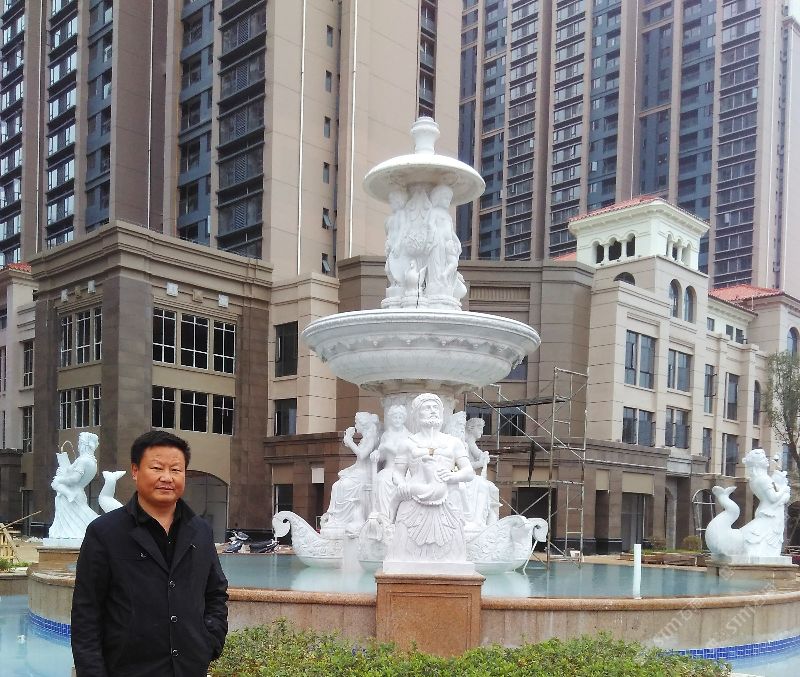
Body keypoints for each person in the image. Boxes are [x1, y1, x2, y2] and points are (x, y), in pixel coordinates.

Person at [71, 430, 228, 677]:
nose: (167, 477)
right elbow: (86, 612)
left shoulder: (200, 531)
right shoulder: (105, 532)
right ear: (135, 471)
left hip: (188, 668)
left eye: (176, 470)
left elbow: (215, 592)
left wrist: (210, 640)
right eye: (157, 468)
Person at [386, 394, 475, 563]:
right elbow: (397, 473)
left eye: (436, 408)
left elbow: (469, 472)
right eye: (427, 408)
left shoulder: (453, 442)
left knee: (452, 549)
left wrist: (453, 476)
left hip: (447, 500)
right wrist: (402, 484)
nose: (433, 411)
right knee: (404, 548)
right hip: (414, 498)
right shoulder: (407, 443)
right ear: (417, 414)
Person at [49, 432, 100, 539]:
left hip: (72, 493)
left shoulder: (82, 461)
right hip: (78, 493)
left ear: (84, 444)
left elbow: (74, 479)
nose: (78, 446)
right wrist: (63, 471)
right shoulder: (92, 462)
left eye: (79, 443)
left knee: (73, 523)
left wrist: (60, 479)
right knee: (81, 517)